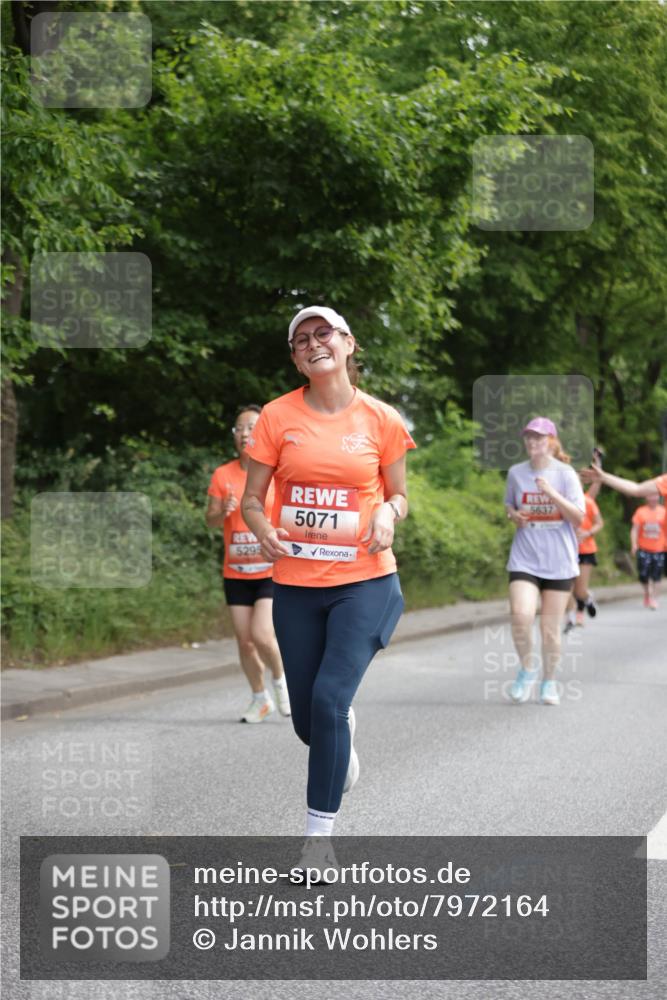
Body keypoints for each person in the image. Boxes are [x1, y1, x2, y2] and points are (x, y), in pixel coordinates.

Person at [241, 306, 415, 860]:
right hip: (295, 585)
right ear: (295, 358)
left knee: (329, 698)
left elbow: (399, 495)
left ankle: (319, 841)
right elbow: (249, 500)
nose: (313, 344)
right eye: (301, 340)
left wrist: (389, 513)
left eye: (324, 334)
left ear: (347, 343)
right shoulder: (275, 416)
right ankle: (340, 743)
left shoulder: (381, 419)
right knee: (311, 722)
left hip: (365, 582)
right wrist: (264, 527)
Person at [206, 405, 291, 723]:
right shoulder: (223, 474)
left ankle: (282, 682)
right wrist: (223, 511)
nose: (244, 434)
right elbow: (210, 521)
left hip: (268, 568)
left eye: (251, 428)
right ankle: (260, 699)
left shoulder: (276, 474)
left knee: (261, 634)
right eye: (239, 429)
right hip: (236, 572)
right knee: (244, 640)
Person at [504, 417, 585, 706]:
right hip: (525, 557)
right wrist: (514, 515)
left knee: (549, 631)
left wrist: (551, 493)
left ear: (551, 440)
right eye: (528, 437)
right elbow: (510, 506)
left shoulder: (565, 474)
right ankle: (527, 668)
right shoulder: (516, 473)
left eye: (539, 437)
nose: (532, 442)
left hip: (559, 562)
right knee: (520, 616)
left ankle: (549, 681)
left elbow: (578, 517)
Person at [630, 492, 665, 610]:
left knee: (657, 575)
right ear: (646, 497)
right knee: (643, 574)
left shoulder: (663, 511)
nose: (653, 498)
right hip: (644, 548)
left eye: (655, 495)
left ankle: (653, 598)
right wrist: (634, 544)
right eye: (650, 495)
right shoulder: (640, 511)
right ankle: (647, 593)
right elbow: (634, 529)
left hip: (659, 548)